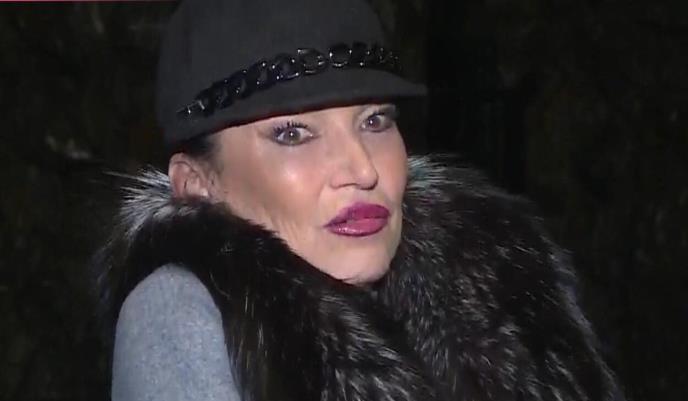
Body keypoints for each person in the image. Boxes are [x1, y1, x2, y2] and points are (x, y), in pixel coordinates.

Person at [94, 0, 626, 400]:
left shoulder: (499, 279)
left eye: (375, 121)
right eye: (293, 134)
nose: (363, 169)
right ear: (197, 185)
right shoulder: (179, 314)